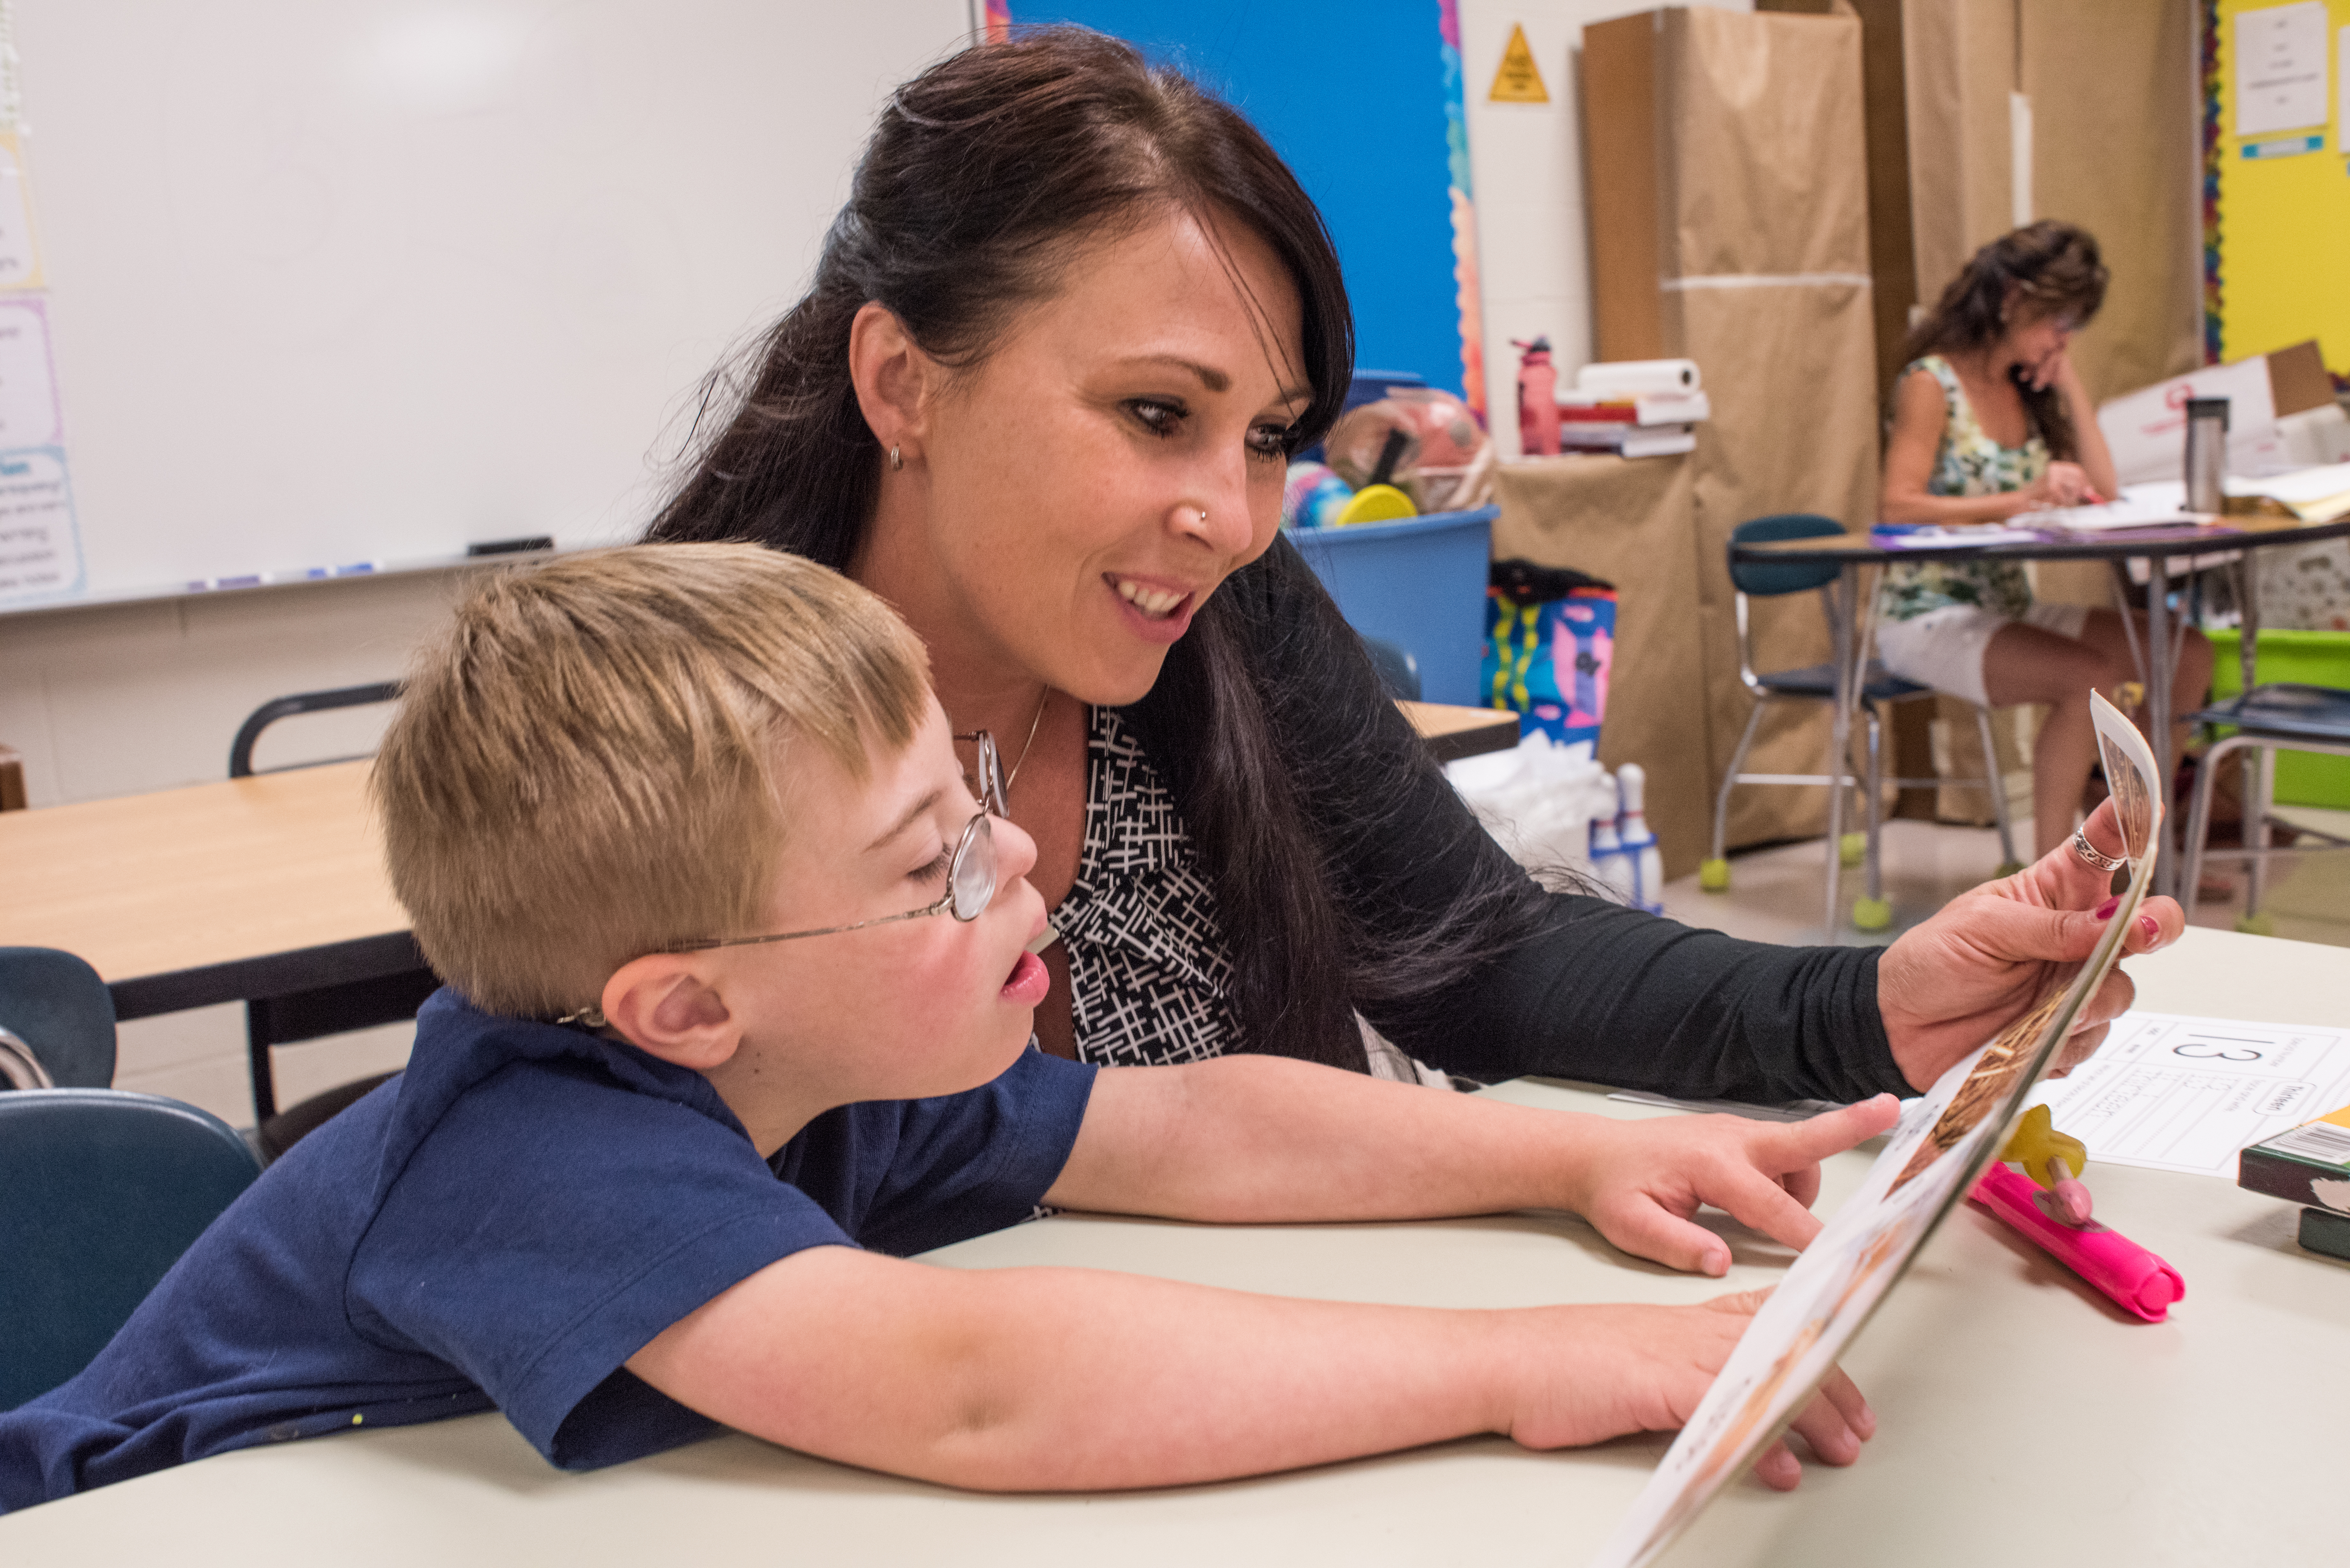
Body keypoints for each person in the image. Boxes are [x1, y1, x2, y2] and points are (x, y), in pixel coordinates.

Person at [0, 544, 1903, 1510]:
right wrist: (1516, 1361)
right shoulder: (535, 1151)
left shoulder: (810, 1065)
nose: (1012, 856)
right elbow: (972, 1377)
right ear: (682, 1002)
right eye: (927, 864)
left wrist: (1576, 1145)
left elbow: (1195, 1124)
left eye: (971, 795)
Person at [647, 31, 2182, 1098]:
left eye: (1265, 438)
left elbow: (1477, 948)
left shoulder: (1217, 611)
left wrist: (1860, 1001)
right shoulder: (680, 739)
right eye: (1155, 413)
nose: (1233, 518)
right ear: (902, 383)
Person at [1877, 221, 2213, 861]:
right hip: (1924, 614)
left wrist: (2068, 380)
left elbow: (2105, 487)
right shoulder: (1931, 381)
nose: (2060, 337)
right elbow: (1896, 505)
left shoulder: (2025, 387)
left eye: (2072, 327)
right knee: (2086, 677)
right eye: (2056, 322)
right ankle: (2055, 882)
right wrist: (2024, 496)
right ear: (2010, 297)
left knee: (2186, 653)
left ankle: (2132, 853)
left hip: (2003, 605)